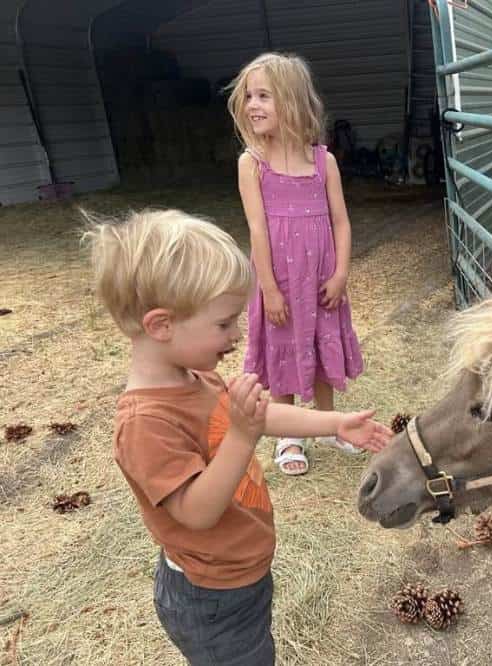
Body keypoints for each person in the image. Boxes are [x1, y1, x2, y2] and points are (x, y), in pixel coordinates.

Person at [83, 209, 391, 665]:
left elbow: (261, 417)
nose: (237, 334)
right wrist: (242, 436)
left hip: (240, 578)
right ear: (161, 325)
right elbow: (196, 511)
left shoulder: (194, 377)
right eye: (224, 323)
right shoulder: (145, 423)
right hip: (210, 599)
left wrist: (333, 423)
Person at [227, 52, 363, 476]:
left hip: (321, 278)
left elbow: (341, 222)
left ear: (291, 101)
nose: (252, 105)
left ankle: (329, 424)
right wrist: (268, 288)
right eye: (249, 96)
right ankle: (288, 435)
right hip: (281, 280)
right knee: (283, 347)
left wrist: (340, 274)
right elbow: (257, 229)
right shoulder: (252, 164)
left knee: (322, 341)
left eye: (263, 96)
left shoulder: (324, 162)